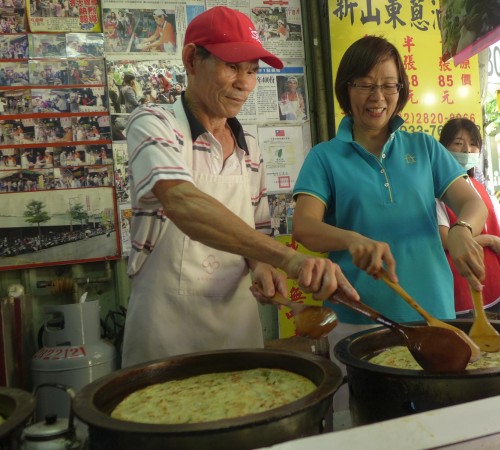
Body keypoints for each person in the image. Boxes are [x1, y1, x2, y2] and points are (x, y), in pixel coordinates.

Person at [121, 6, 359, 368]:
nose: (245, 83)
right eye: (232, 67)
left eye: (252, 70)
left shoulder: (249, 147)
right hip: (166, 338)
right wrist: (289, 259)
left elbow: (254, 230)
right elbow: (182, 202)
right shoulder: (155, 124)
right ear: (191, 59)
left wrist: (262, 265)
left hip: (238, 332)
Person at [292, 35, 487, 379]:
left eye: (388, 85)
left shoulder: (424, 147)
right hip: (359, 320)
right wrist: (351, 239)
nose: (377, 97)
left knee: (441, 417)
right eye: (365, 84)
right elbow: (305, 227)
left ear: (401, 90)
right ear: (345, 89)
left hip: (435, 314)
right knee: (367, 419)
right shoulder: (324, 157)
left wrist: (462, 228)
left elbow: (471, 202)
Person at [436, 118, 500, 314]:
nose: (467, 150)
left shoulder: (479, 187)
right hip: (459, 279)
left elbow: (499, 234)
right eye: (458, 143)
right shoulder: (437, 190)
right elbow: (446, 241)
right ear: (442, 148)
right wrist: (489, 240)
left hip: (490, 278)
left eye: (473, 144)